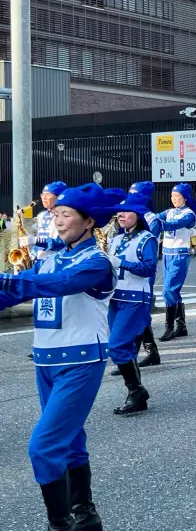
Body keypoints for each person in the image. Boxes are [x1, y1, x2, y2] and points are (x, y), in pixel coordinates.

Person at [0, 183, 116, 531]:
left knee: (44, 447)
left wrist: (13, 283)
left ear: (89, 222)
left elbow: (56, 284)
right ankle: (86, 516)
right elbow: (16, 290)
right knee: (70, 441)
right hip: (46, 362)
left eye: (66, 215)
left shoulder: (97, 262)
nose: (59, 221)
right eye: (56, 215)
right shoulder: (52, 259)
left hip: (80, 362)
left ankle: (60, 524)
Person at [106, 192, 159, 414]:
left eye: (126, 211)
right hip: (114, 298)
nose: (121, 214)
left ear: (137, 215)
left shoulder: (147, 239)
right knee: (123, 346)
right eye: (119, 211)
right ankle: (136, 393)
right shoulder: (115, 239)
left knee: (116, 345)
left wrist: (122, 262)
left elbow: (148, 268)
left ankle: (136, 390)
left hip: (136, 299)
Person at [157, 183, 196, 341]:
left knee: (168, 290)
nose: (174, 199)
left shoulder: (189, 214)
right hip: (167, 254)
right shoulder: (169, 212)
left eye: (177, 196)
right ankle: (181, 326)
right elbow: (155, 218)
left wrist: (159, 224)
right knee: (173, 291)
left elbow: (176, 224)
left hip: (180, 255)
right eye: (172, 196)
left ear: (185, 198)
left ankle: (169, 327)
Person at [127, 181, 163, 368]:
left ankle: (135, 356)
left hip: (143, 268)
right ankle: (150, 351)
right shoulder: (129, 215)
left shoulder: (152, 219)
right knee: (137, 312)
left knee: (139, 311)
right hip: (128, 270)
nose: (131, 196)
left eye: (135, 194)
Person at [26, 181, 68, 261]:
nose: (44, 198)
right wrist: (33, 253)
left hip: (56, 262)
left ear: (59, 197)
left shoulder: (65, 216)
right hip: (39, 261)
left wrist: (36, 240)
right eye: (42, 195)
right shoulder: (41, 216)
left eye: (48, 194)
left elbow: (62, 242)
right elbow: (40, 236)